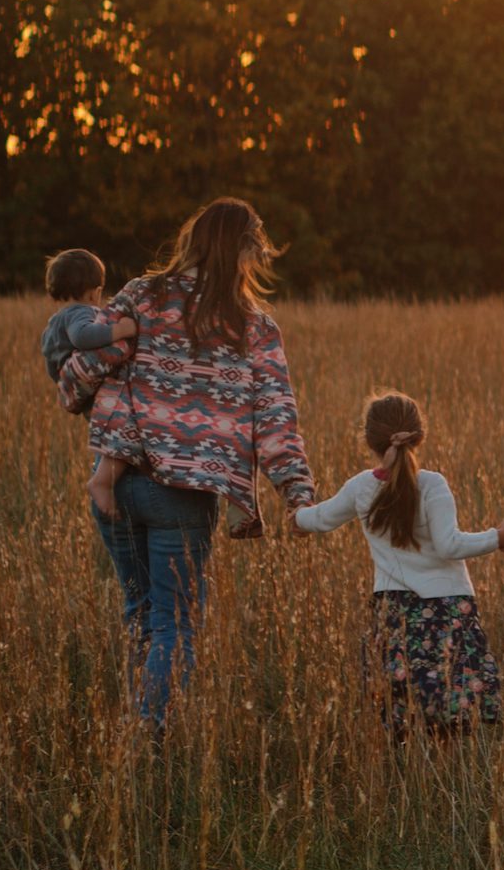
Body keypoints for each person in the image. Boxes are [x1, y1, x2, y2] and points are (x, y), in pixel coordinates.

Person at [58, 197, 317, 728]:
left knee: (141, 614)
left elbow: (84, 368)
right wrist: (297, 493)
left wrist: (74, 391)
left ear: (193, 242)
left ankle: (139, 723)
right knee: (175, 624)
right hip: (185, 495)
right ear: (246, 253)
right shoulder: (254, 328)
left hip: (118, 482)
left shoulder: (142, 295)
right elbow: (275, 419)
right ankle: (151, 735)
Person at [293, 392, 504, 738]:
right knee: (450, 712)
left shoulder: (361, 487)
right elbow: (449, 545)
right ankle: (443, 784)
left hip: (393, 611)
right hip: (447, 610)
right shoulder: (432, 484)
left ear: (370, 439)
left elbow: (319, 519)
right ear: (419, 435)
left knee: (401, 706)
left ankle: (406, 778)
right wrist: (498, 537)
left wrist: (296, 517)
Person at [40, 247, 138, 518]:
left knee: (112, 430)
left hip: (77, 390)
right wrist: (122, 330)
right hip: (88, 387)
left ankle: (105, 477)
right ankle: (102, 481)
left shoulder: (56, 318)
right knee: (124, 427)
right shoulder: (79, 313)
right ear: (95, 290)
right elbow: (83, 337)